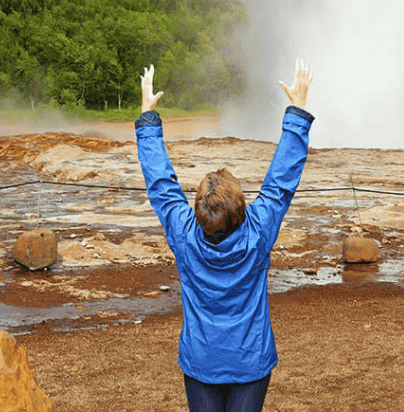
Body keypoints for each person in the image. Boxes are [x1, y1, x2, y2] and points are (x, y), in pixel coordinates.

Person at [134, 59, 314, 412]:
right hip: (250, 363)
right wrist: (297, 110)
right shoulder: (259, 230)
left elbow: (161, 185)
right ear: (241, 208)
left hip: (202, 363)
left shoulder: (185, 233)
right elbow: (280, 183)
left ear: (199, 211)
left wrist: (148, 119)